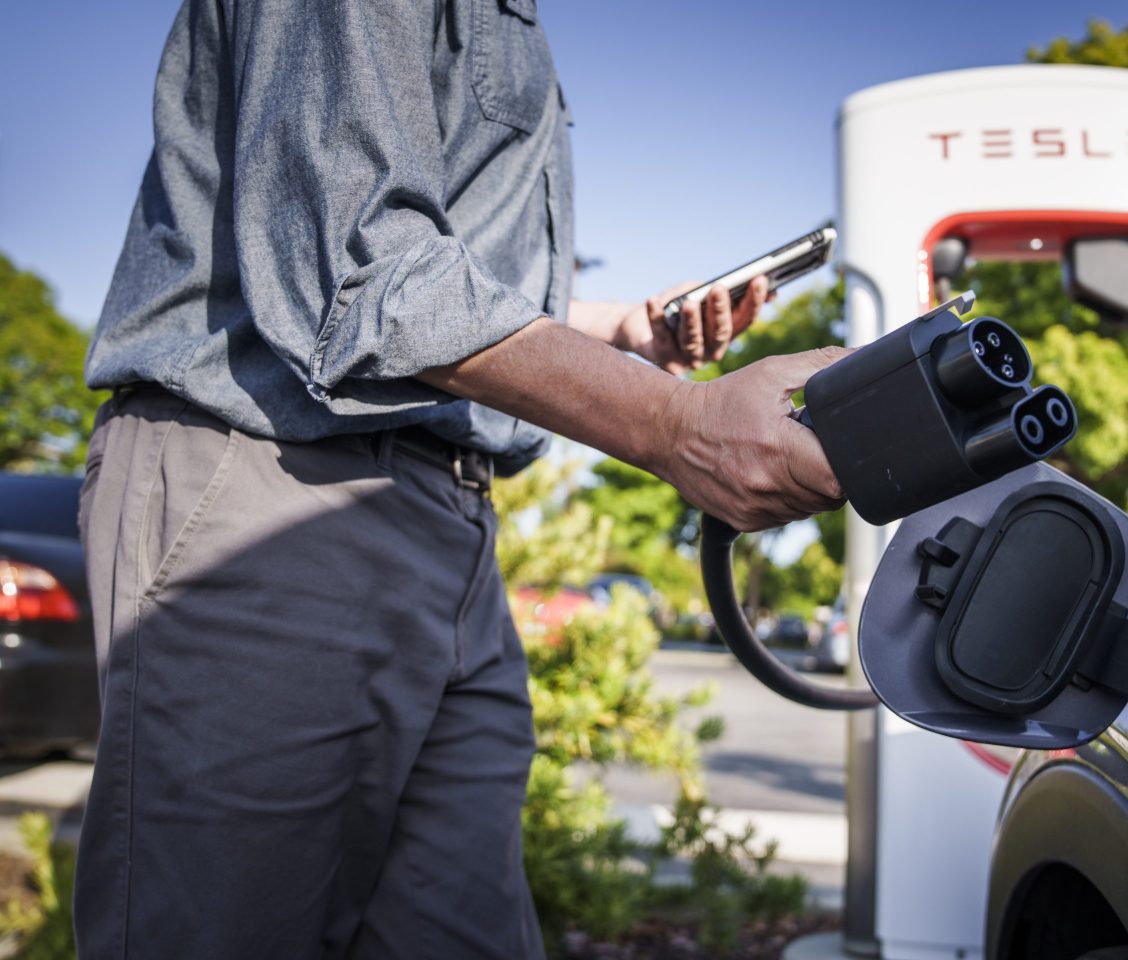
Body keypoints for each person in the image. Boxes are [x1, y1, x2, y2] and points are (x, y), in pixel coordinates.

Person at [74, 2, 845, 958]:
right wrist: (675, 425)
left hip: (452, 518)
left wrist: (619, 330)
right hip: (271, 480)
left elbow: (441, 268)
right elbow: (358, 270)